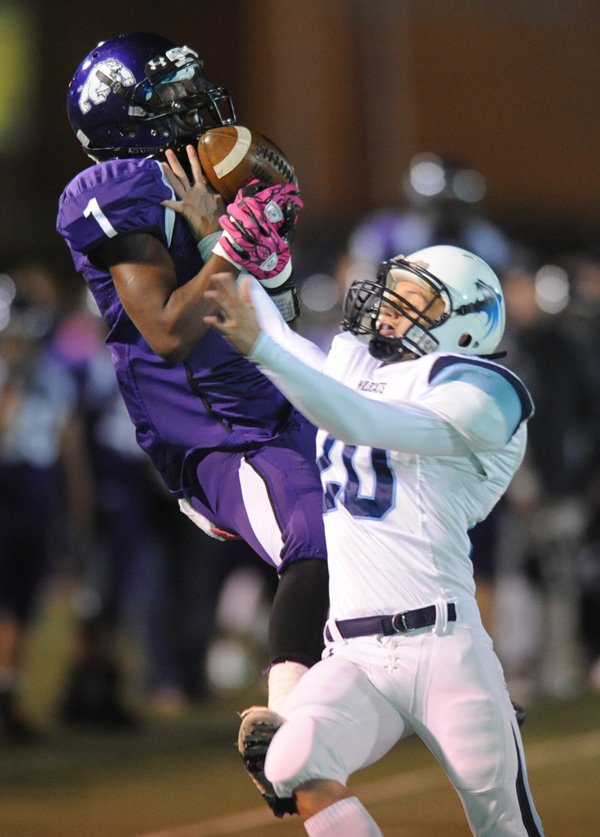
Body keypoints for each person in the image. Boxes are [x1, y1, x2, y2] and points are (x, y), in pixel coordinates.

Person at [55, 31, 328, 803]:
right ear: (130, 114)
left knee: (386, 518)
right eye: (175, 91)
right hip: (214, 433)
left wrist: (260, 255)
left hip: (278, 403)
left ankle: (429, 678)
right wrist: (230, 245)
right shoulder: (110, 189)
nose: (199, 100)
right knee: (314, 537)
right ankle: (285, 740)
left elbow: (262, 299)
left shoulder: (196, 174)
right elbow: (169, 330)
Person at [203, 244, 544, 835]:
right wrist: (218, 239)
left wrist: (261, 346)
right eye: (394, 292)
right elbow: (286, 350)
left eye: (414, 300)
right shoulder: (361, 363)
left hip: (443, 646)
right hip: (354, 651)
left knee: (504, 826)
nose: (388, 309)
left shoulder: (489, 391)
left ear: (466, 324)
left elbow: (358, 418)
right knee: (290, 760)